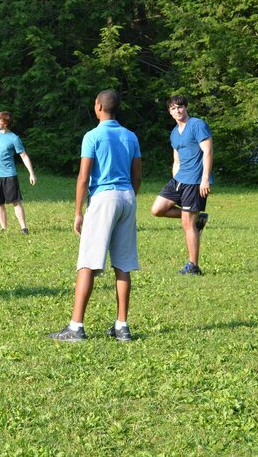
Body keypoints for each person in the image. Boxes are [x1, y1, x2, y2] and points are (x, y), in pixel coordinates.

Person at [49, 89, 141, 342]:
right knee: (123, 264)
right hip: (127, 197)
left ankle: (76, 327)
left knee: (88, 263)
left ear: (99, 106)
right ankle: (122, 326)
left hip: (103, 199)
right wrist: (129, 197)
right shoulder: (131, 136)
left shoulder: (92, 136)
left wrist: (78, 212)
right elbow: (137, 176)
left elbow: (83, 177)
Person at [150, 96, 212, 275]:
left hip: (195, 180)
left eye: (180, 107)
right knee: (157, 209)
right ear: (169, 112)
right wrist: (175, 179)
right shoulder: (174, 133)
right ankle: (196, 218)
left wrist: (205, 179)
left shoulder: (197, 124)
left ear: (186, 107)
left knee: (187, 223)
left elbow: (207, 151)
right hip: (179, 180)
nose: (177, 110)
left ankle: (193, 266)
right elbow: (176, 158)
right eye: (173, 108)